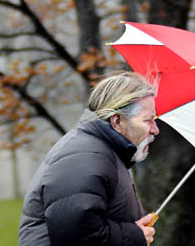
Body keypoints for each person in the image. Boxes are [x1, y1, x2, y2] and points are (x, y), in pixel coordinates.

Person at [18, 72, 160, 246]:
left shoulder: (102, 154)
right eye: (148, 120)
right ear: (117, 121)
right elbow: (77, 238)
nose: (155, 130)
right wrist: (134, 237)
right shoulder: (84, 158)